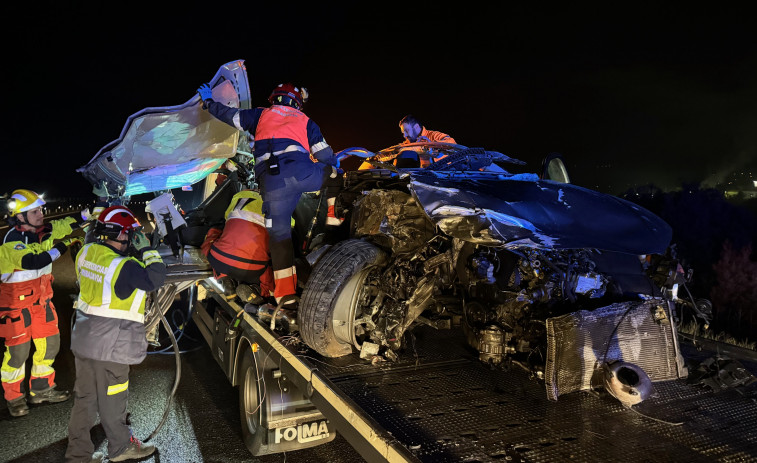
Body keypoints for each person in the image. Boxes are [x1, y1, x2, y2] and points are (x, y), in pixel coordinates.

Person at [197, 81, 342, 310]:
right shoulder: (306, 121)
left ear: (275, 98)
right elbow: (325, 156)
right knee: (335, 176)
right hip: (302, 174)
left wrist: (208, 102)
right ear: (297, 103)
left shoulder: (260, 115)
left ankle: (285, 297)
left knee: (280, 239)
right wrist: (333, 165)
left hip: (273, 186)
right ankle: (334, 220)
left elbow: (229, 115)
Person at [65, 205, 166, 463]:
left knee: (85, 398)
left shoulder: (86, 252)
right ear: (123, 235)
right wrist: (146, 248)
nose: (131, 238)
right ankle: (121, 448)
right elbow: (156, 277)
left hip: (84, 339)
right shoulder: (125, 266)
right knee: (113, 398)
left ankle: (78, 455)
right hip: (110, 345)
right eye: (130, 234)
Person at [0, 189, 87, 417]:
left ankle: (41, 389)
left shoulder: (43, 232)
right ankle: (14, 398)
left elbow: (66, 223)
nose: (42, 214)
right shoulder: (12, 241)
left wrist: (90, 213)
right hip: (16, 307)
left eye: (41, 209)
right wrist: (65, 244)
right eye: (35, 211)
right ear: (20, 216)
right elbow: (34, 261)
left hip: (42, 303)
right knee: (18, 354)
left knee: (50, 346)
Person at [201, 190, 274, 304]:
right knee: (268, 259)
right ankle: (260, 291)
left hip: (220, 260)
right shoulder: (275, 204)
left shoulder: (239, 196)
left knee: (215, 242)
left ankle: (224, 278)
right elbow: (287, 227)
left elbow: (227, 217)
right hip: (253, 269)